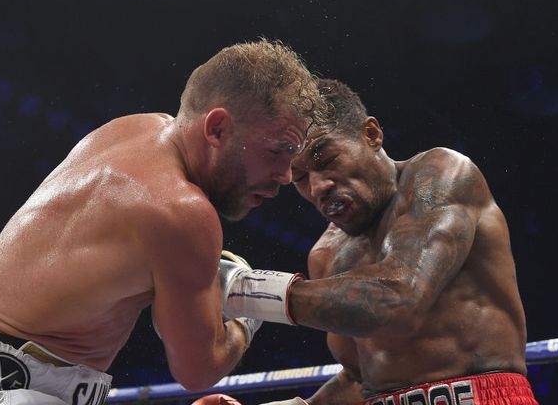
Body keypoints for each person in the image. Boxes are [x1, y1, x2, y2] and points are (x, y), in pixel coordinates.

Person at [0, 39, 325, 405]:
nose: (286, 176)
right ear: (216, 129)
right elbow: (199, 370)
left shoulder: (133, 129)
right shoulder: (181, 211)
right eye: (278, 150)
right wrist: (246, 312)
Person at [216, 79, 538, 404]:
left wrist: (244, 290)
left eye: (326, 160)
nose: (318, 187)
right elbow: (361, 380)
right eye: (299, 177)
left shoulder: (441, 175)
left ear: (370, 134)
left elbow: (400, 298)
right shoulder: (326, 255)